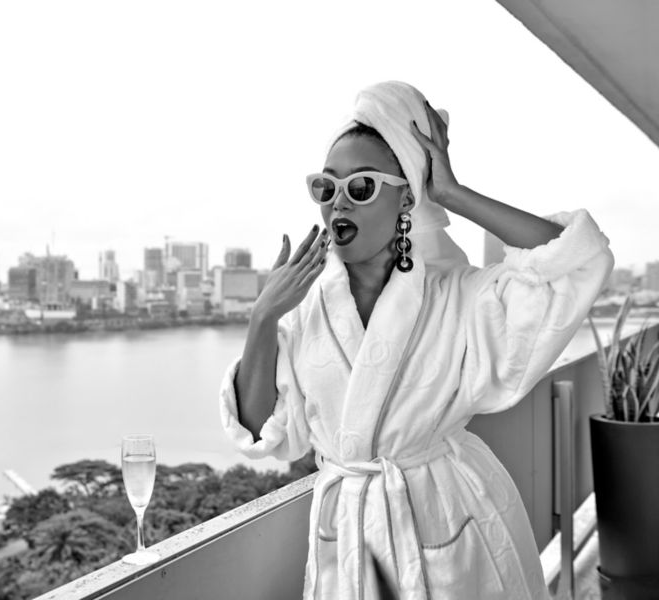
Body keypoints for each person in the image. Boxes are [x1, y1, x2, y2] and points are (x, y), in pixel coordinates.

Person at [218, 81, 614, 600]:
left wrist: (450, 192)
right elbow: (263, 433)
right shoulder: (307, 309)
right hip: (347, 533)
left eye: (361, 187)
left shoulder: (457, 297)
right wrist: (263, 317)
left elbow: (575, 259)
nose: (339, 202)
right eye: (326, 187)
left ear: (406, 196)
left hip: (449, 520)